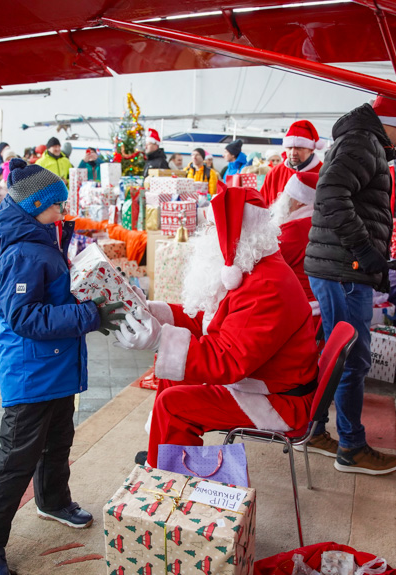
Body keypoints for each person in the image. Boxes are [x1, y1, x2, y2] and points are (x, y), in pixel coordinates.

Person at [0, 159, 123, 575]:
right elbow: (25, 319)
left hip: (56, 369)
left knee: (58, 442)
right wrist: (88, 315)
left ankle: (52, 501)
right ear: (34, 204)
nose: (62, 212)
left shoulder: (42, 240)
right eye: (55, 206)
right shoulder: (22, 252)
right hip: (32, 372)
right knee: (16, 457)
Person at [114, 187, 318, 468]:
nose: (205, 231)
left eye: (212, 225)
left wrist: (162, 341)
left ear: (235, 231)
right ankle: (160, 459)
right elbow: (210, 323)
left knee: (174, 405)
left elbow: (229, 360)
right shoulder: (251, 268)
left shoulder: (265, 285)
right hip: (265, 381)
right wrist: (156, 312)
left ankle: (172, 483)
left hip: (279, 400)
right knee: (175, 376)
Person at [302, 95, 396, 475]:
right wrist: (365, 251)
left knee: (338, 354)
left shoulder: (359, 140)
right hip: (344, 269)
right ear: (393, 122)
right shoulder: (363, 142)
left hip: (339, 266)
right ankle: (350, 445)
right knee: (351, 358)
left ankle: (316, 430)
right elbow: (333, 195)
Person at [270, 172, 318, 307]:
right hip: (318, 300)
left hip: (300, 302)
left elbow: (269, 261)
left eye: (287, 195)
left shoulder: (295, 228)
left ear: (300, 200)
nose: (282, 200)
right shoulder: (317, 222)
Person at [260, 120, 324, 206]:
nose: (293, 153)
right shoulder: (275, 173)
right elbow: (263, 205)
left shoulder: (323, 174)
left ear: (311, 150)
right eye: (289, 148)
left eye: (299, 148)